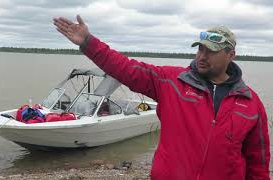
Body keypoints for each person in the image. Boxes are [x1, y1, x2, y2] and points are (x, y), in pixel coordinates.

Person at [53, 15, 270, 180]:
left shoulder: (250, 103)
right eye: (200, 49)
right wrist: (88, 43)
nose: (202, 56)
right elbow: (125, 68)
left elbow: (257, 161)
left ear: (230, 55)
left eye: (211, 51)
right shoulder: (171, 82)